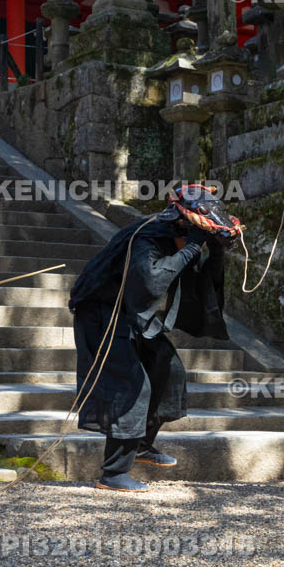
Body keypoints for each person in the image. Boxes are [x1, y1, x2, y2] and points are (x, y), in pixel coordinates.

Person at [69, 185, 237, 492]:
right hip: (101, 312)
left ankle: (143, 444)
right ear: (183, 221)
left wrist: (215, 250)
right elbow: (152, 281)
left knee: (168, 370)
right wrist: (192, 246)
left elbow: (204, 282)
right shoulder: (149, 235)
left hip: (134, 313)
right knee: (132, 386)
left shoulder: (179, 234)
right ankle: (113, 473)